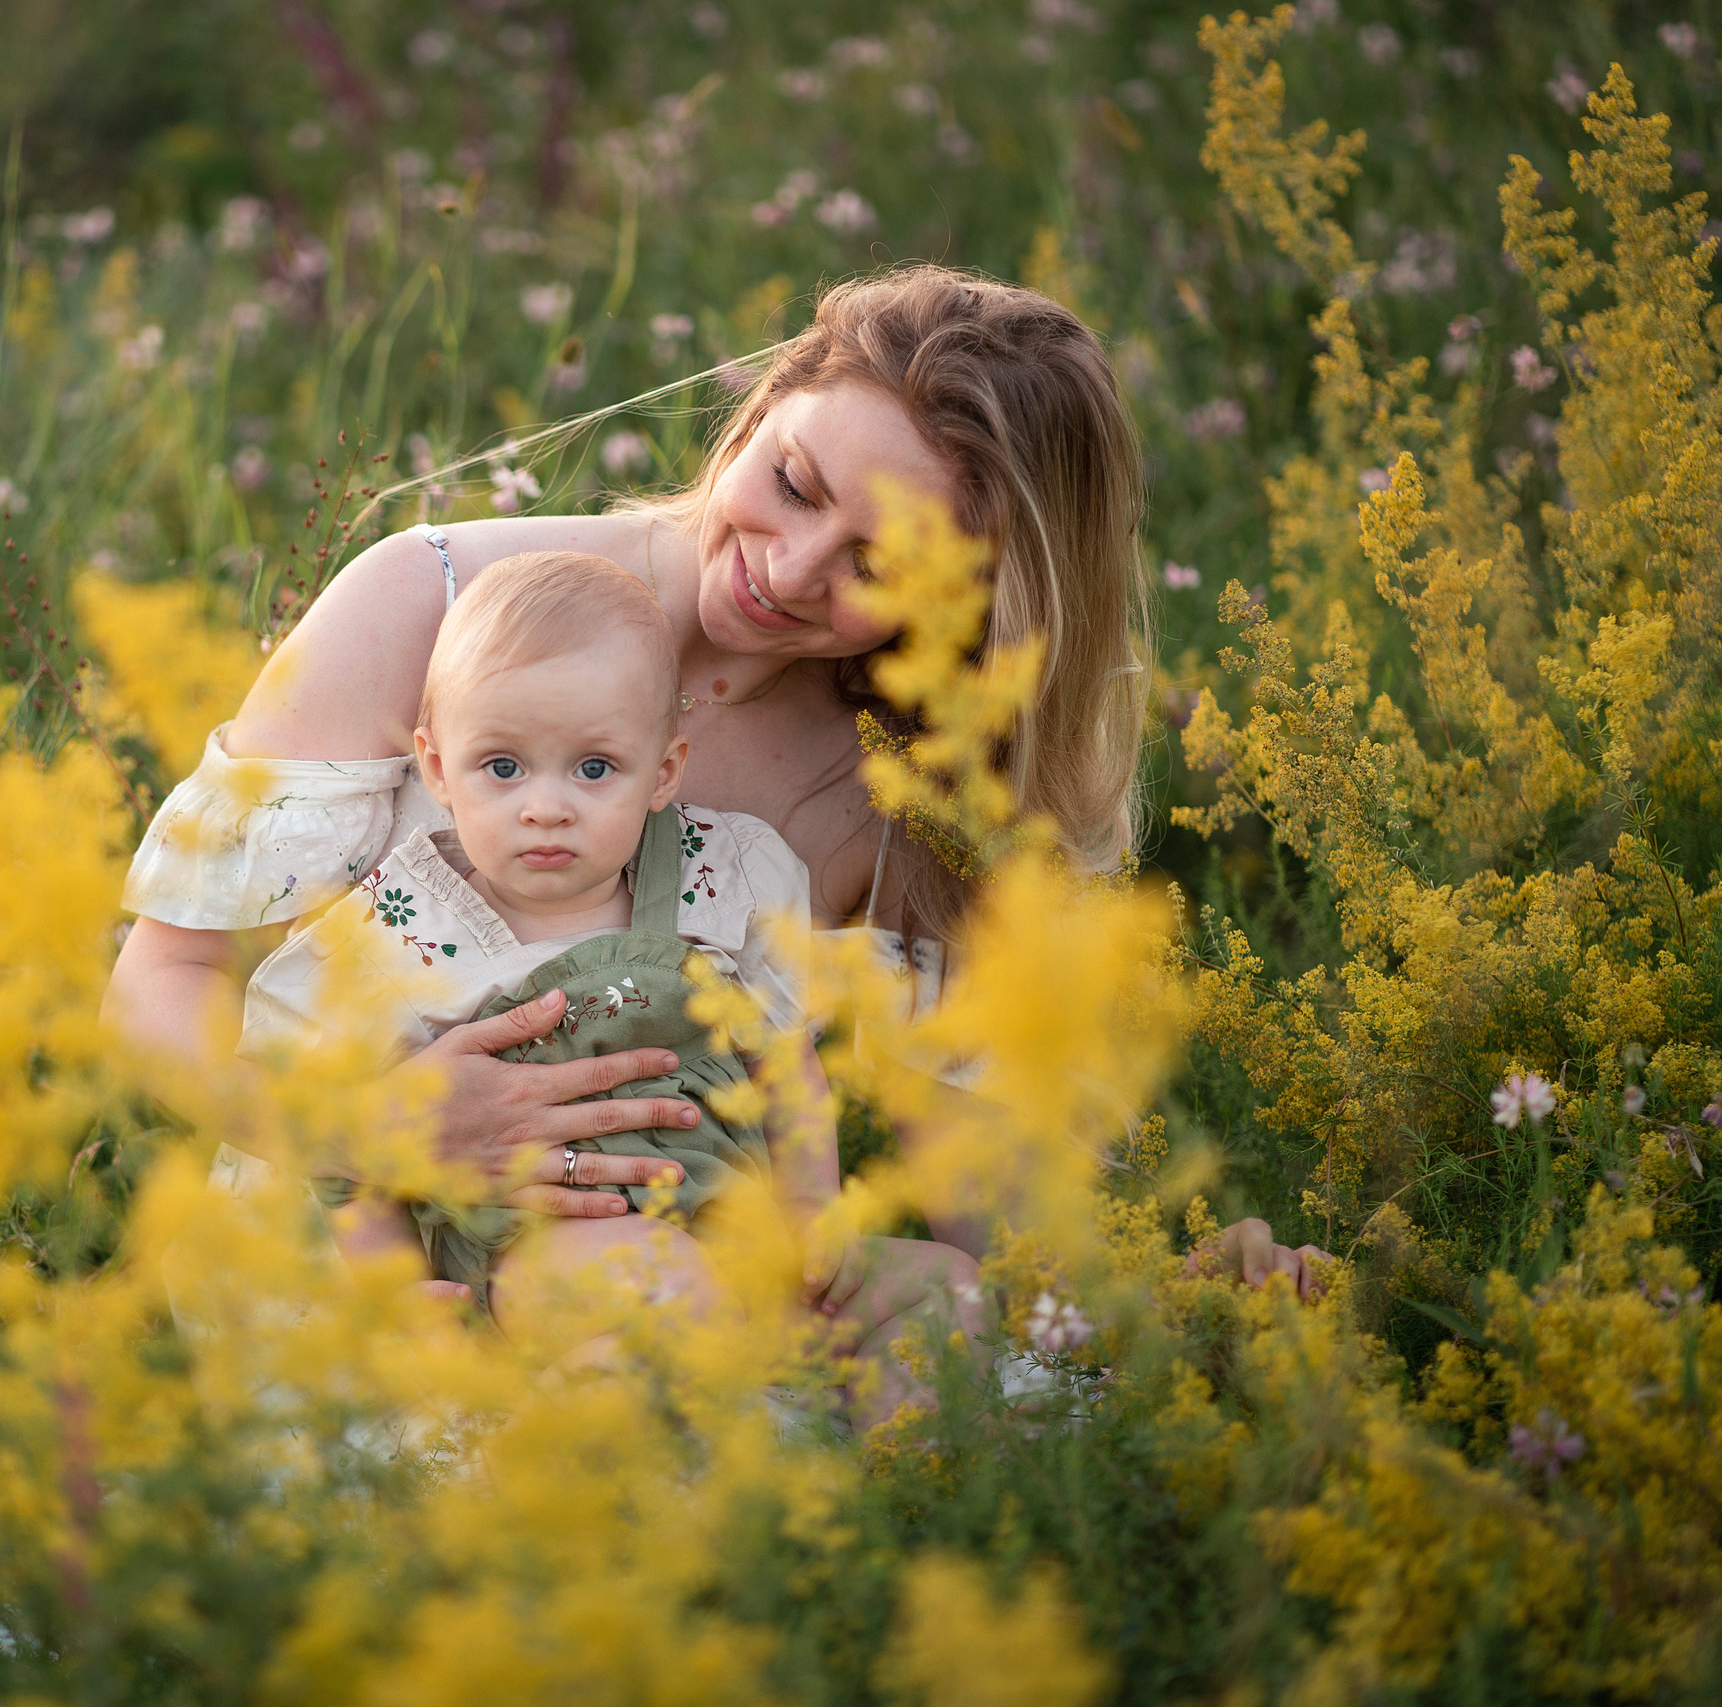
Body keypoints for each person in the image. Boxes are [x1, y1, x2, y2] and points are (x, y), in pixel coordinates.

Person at [105, 264, 1325, 1299]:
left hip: (672, 1269)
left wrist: (1155, 1294)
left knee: (940, 1319)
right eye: (794, 485)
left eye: (879, 565)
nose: (789, 572)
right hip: (366, 1259)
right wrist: (363, 1129)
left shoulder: (899, 776)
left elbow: (975, 1186)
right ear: (759, 410)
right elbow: (161, 984)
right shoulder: (424, 604)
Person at [215, 549, 980, 1411]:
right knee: (650, 1297)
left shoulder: (722, 883)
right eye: (502, 767)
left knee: (946, 1287)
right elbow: (353, 1166)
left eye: (593, 768)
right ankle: (655, 1458)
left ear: (663, 771)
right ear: (436, 768)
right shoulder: (395, 936)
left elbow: (787, 1067)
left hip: (738, 1232)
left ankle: (908, 1478)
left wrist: (811, 1213)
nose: (548, 805)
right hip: (551, 1252)